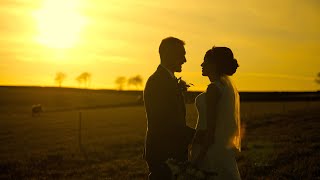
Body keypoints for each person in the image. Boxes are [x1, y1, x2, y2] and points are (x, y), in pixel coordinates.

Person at [143, 37, 195, 180]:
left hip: (173, 151)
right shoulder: (157, 82)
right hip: (163, 152)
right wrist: (198, 136)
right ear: (168, 54)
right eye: (182, 55)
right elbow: (164, 122)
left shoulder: (168, 79)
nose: (185, 60)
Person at [191, 47, 241, 179]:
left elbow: (211, 128)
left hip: (208, 149)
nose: (201, 64)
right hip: (221, 148)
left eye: (205, 61)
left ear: (214, 65)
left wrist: (199, 157)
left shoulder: (214, 89)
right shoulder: (225, 87)